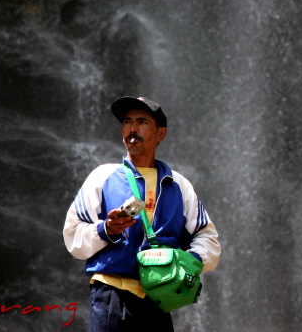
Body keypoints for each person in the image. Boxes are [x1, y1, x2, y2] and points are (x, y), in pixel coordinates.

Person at [63, 96, 221, 332]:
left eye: (142, 121)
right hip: (111, 297)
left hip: (159, 298)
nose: (132, 128)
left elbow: (207, 239)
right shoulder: (102, 176)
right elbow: (73, 235)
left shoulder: (178, 184)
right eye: (127, 121)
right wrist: (107, 230)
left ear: (161, 134)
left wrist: (188, 263)